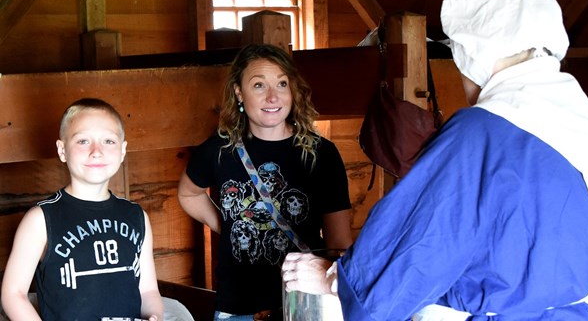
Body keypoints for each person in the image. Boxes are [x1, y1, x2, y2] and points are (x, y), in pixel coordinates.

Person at [281, 0, 588, 321]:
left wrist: (332, 279)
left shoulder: (480, 133)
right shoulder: (586, 125)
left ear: (477, 49)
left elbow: (415, 248)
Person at [177, 43, 353, 320]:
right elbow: (188, 194)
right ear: (239, 92)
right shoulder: (219, 151)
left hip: (302, 303)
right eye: (259, 85)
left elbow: (338, 243)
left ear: (293, 90)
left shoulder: (320, 153)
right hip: (237, 306)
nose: (273, 97)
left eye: (282, 84)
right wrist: (227, 225)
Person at [1, 98, 164, 321]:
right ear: (62, 150)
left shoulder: (137, 217)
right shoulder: (40, 219)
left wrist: (155, 315)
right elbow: (13, 294)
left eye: (108, 141)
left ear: (123, 150)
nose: (96, 151)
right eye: (83, 141)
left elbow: (148, 291)